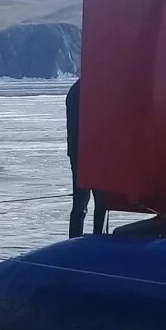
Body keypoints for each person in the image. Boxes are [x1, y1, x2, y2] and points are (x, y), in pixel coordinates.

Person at [66, 78, 108, 238]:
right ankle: (96, 237)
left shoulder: (77, 89)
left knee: (82, 203)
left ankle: (76, 239)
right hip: (87, 153)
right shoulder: (86, 89)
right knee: (96, 201)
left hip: (81, 153)